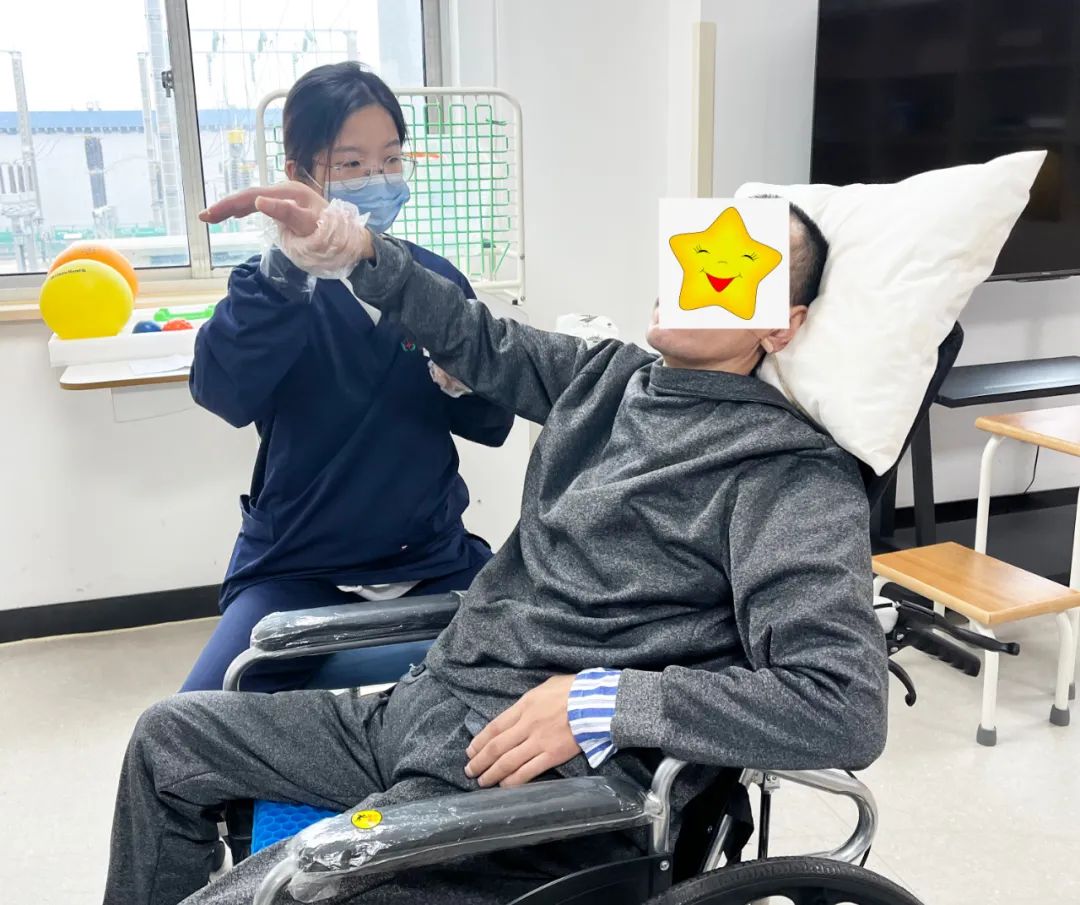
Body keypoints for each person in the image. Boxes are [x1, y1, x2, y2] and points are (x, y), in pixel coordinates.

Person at [102, 184, 889, 905]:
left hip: (533, 784)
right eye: (702, 252)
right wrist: (358, 251)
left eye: (742, 267)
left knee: (259, 895)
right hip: (423, 706)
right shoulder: (607, 381)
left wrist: (604, 701)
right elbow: (472, 335)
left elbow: (843, 703)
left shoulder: (787, 474)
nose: (701, 275)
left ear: (783, 325)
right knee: (168, 741)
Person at [181, 63, 514, 693]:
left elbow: (491, 424)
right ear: (299, 174)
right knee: (199, 718)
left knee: (537, 678)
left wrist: (464, 382)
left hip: (433, 557)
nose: (378, 180)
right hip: (299, 566)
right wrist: (286, 274)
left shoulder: (433, 281)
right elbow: (222, 391)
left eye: (390, 159)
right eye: (352, 164)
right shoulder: (269, 285)